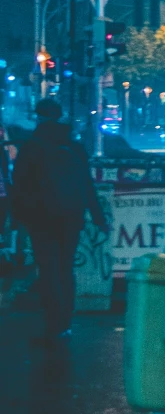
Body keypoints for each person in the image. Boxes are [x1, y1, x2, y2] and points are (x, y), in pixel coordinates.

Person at [9, 99, 109, 340]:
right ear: (60, 115)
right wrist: (98, 218)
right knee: (65, 268)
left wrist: (18, 219)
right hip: (71, 215)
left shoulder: (31, 147)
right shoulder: (74, 147)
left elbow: (19, 186)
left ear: (39, 117)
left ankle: (53, 322)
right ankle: (66, 321)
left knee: (48, 269)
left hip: (41, 218)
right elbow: (87, 184)